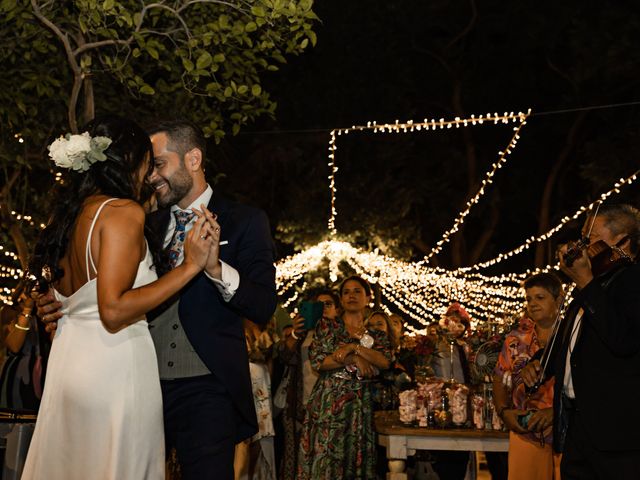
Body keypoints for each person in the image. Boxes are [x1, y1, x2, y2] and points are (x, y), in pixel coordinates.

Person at [36, 119, 278, 479]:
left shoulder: (245, 220)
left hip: (207, 387)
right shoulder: (141, 219)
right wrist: (56, 301)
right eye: (147, 166)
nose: (151, 176)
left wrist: (214, 270)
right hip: (136, 382)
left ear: (193, 159)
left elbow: (261, 305)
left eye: (159, 164)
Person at [23, 115, 215, 479]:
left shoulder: (72, 216)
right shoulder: (122, 212)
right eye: (148, 161)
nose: (150, 174)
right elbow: (112, 310)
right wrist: (189, 267)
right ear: (131, 160)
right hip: (113, 368)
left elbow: (70, 295)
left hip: (69, 366)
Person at [521, 203, 640, 479]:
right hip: (579, 429)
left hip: (619, 439)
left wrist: (586, 282)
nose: (583, 246)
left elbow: (623, 340)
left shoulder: (632, 281)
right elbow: (572, 345)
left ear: (622, 241)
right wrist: (541, 364)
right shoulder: (589, 288)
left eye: (592, 237)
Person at [297, 275, 392, 479]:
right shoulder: (328, 326)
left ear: (367, 298)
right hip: (330, 403)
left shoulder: (376, 334)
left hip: (359, 404)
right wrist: (353, 359)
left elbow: (384, 361)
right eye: (346, 292)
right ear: (341, 299)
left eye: (357, 291)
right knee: (326, 460)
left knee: (355, 457)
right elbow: (320, 361)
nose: (351, 295)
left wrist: (353, 348)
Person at [493, 273, 563, 480]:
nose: (532, 304)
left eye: (540, 298)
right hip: (525, 432)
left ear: (558, 300)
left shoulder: (574, 334)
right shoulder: (516, 339)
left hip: (567, 432)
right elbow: (499, 377)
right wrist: (504, 412)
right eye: (529, 298)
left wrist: (556, 411)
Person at [275, 290, 339, 480]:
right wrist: (294, 333)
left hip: (332, 410)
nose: (324, 309)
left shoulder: (342, 335)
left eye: (329, 304)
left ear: (338, 309)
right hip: (298, 407)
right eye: (319, 305)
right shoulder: (302, 336)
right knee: (296, 464)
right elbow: (282, 356)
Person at [0, 285, 49, 411]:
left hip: (44, 374)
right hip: (18, 376)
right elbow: (14, 346)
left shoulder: (44, 311)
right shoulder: (9, 312)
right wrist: (27, 309)